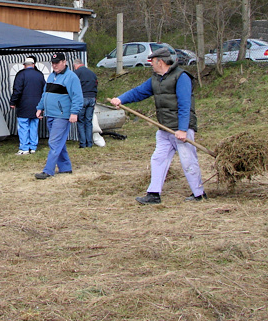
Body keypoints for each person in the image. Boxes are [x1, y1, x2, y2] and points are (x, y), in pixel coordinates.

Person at [109, 46, 206, 204]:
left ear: (160, 62)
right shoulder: (155, 78)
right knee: (158, 159)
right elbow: (139, 92)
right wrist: (121, 99)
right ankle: (154, 194)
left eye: (152, 62)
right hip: (164, 128)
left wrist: (182, 129)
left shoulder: (181, 77)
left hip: (180, 129)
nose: (151, 65)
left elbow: (185, 105)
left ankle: (199, 193)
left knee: (188, 161)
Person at [34, 52, 83, 179]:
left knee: (54, 142)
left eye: (57, 63)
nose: (54, 65)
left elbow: (77, 96)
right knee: (59, 142)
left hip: (62, 116)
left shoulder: (71, 77)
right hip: (50, 114)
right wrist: (40, 107)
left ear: (64, 62)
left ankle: (48, 170)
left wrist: (74, 112)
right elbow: (45, 94)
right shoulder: (51, 76)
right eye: (53, 63)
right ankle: (65, 167)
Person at [9, 57, 46, 155]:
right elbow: (44, 90)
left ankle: (24, 148)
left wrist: (13, 102)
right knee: (34, 126)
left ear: (24, 65)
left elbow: (17, 90)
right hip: (37, 106)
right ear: (33, 64)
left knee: (23, 126)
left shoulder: (21, 74)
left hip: (23, 105)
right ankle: (33, 147)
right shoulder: (40, 74)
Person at [72, 59, 98, 148]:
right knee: (88, 121)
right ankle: (89, 143)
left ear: (75, 65)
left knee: (80, 121)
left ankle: (83, 143)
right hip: (92, 98)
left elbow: (73, 87)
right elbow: (96, 85)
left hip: (82, 98)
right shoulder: (92, 73)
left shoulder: (76, 73)